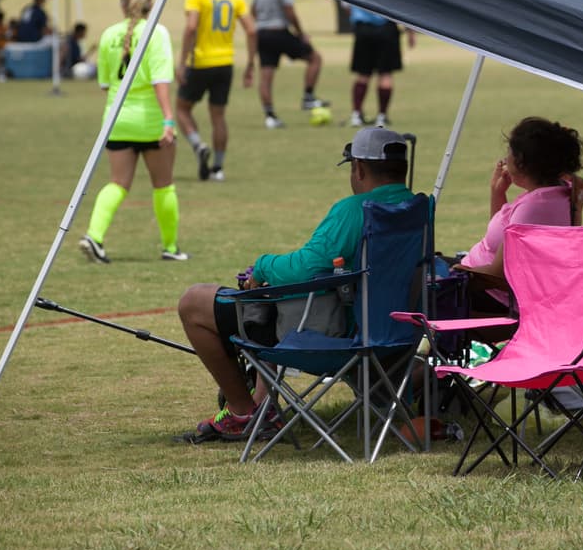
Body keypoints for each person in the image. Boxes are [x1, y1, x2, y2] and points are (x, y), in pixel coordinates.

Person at [174, 127, 414, 442]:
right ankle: (263, 405)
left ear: (359, 168)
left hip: (335, 333)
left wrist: (261, 267)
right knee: (269, 303)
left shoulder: (354, 210)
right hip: (395, 334)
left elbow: (305, 268)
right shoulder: (418, 208)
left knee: (194, 302)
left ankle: (242, 412)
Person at [78, 0, 186, 264]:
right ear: (151, 4)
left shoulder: (108, 35)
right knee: (163, 185)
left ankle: (94, 236)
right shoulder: (157, 32)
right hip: (150, 121)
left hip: (117, 120)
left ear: (123, 5)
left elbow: (105, 84)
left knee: (117, 183)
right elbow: (160, 80)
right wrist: (169, 120)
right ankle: (171, 248)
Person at [456, 117, 583, 312]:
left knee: (421, 281)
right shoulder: (556, 193)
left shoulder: (534, 209)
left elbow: (497, 274)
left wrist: (459, 272)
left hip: (498, 298)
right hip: (495, 289)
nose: (505, 158)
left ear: (521, 161)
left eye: (509, 151)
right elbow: (501, 236)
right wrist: (498, 192)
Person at [176, 0, 257, 182]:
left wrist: (182, 62)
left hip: (201, 62)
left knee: (182, 109)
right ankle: (218, 168)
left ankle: (198, 145)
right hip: (225, 63)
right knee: (218, 116)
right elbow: (251, 30)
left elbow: (191, 26)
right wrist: (250, 64)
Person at [251, 0, 327, 129]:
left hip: (263, 34)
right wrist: (300, 33)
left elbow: (253, 11)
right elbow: (290, 12)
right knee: (315, 58)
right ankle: (308, 97)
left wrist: (263, 22)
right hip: (280, 33)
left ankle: (270, 117)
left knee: (266, 76)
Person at [347, 3, 414, 127]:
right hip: (387, 29)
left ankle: (356, 115)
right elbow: (404, 6)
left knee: (363, 74)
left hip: (364, 29)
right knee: (385, 74)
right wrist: (411, 33)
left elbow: (346, 5)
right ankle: (381, 116)